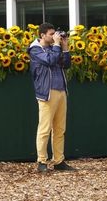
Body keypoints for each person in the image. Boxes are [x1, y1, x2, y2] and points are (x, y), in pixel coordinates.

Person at [29, 22, 75, 173]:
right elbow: (49, 61)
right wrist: (56, 46)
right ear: (42, 35)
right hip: (47, 93)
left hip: (61, 91)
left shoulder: (54, 48)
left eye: (55, 33)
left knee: (60, 129)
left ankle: (59, 161)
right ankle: (41, 161)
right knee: (45, 129)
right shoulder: (35, 49)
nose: (54, 36)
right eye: (51, 34)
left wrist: (65, 47)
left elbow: (66, 64)